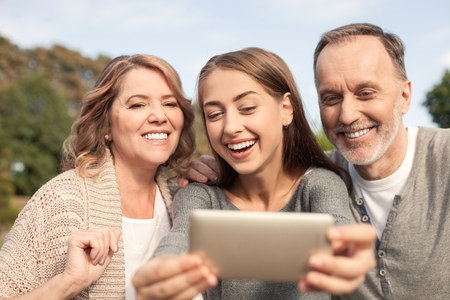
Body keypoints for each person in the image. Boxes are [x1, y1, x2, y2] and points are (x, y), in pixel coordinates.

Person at [179, 23, 450, 299]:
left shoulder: (444, 157)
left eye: (366, 93)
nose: (347, 115)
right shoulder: (319, 174)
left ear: (404, 97)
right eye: (331, 98)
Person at [133, 47, 376, 300]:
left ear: (286, 109)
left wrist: (348, 250)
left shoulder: (319, 185)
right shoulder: (200, 196)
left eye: (247, 108)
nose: (231, 127)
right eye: (214, 114)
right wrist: (162, 268)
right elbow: (180, 238)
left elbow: (338, 226)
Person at [0, 54, 195, 300]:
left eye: (170, 103)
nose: (159, 116)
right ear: (106, 126)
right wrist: (66, 284)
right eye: (138, 104)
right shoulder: (60, 201)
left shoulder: (189, 203)